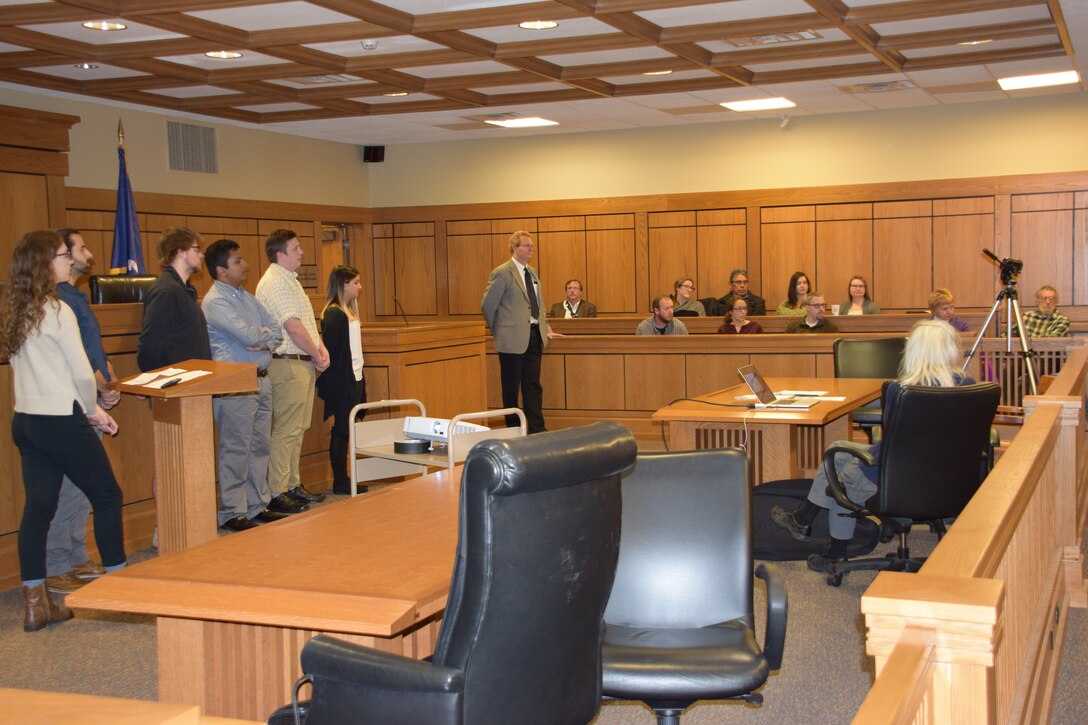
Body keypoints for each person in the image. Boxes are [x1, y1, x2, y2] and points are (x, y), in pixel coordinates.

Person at [770, 320, 975, 571]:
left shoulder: (900, 390)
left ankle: (836, 556)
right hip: (947, 478)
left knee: (840, 481)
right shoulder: (971, 387)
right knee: (836, 450)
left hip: (897, 476)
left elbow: (892, 442)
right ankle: (803, 519)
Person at [1, 230, 126, 632]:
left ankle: (36, 603)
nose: (68, 261)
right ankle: (121, 592)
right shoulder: (57, 310)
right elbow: (79, 373)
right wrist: (93, 412)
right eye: (60, 255)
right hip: (60, 419)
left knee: (37, 509)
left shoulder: (16, 309)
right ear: (43, 264)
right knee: (107, 495)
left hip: (27, 421)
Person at [43, 229, 119, 594]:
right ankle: (56, 562)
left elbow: (91, 346)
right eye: (81, 247)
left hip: (88, 398)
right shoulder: (57, 299)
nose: (87, 253)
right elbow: (72, 358)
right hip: (72, 405)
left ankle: (74, 554)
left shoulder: (75, 295)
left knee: (81, 490)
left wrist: (108, 378)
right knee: (70, 487)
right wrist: (99, 389)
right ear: (66, 257)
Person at [202, 239, 289, 531]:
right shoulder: (215, 301)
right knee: (236, 448)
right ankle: (231, 511)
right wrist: (261, 338)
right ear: (221, 270)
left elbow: (275, 331)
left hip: (261, 381)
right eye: (237, 261)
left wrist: (261, 338)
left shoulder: (247, 297)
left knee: (259, 446)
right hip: (236, 385)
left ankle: (256, 504)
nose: (245, 265)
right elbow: (249, 337)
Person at [256, 229, 331, 513]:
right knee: (287, 428)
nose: (301, 253)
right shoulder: (274, 282)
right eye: (296, 248)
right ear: (280, 254)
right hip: (287, 362)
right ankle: (277, 490)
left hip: (301, 361)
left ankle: (292, 484)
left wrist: (320, 350)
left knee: (299, 427)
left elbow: (307, 324)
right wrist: (316, 353)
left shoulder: (291, 281)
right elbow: (292, 326)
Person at [481, 230, 555, 434]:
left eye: (532, 246)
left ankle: (537, 430)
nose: (531, 249)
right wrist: (500, 330)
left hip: (534, 336)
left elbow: (539, 305)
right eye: (527, 245)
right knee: (511, 389)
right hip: (511, 339)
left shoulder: (532, 272)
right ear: (514, 248)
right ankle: (513, 431)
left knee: (533, 386)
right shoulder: (502, 272)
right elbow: (488, 305)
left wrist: (545, 328)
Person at [316, 266, 369, 495]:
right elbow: (335, 355)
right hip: (343, 381)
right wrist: (344, 385)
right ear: (343, 284)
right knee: (341, 430)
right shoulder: (334, 313)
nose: (359, 287)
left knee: (348, 429)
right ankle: (340, 480)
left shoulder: (348, 311)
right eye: (355, 282)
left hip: (355, 377)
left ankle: (347, 476)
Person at [137, 227, 212, 371]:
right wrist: (150, 378)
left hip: (195, 377)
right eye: (196, 250)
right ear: (180, 252)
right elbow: (151, 343)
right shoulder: (166, 291)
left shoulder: (185, 290)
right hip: (177, 382)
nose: (201, 255)